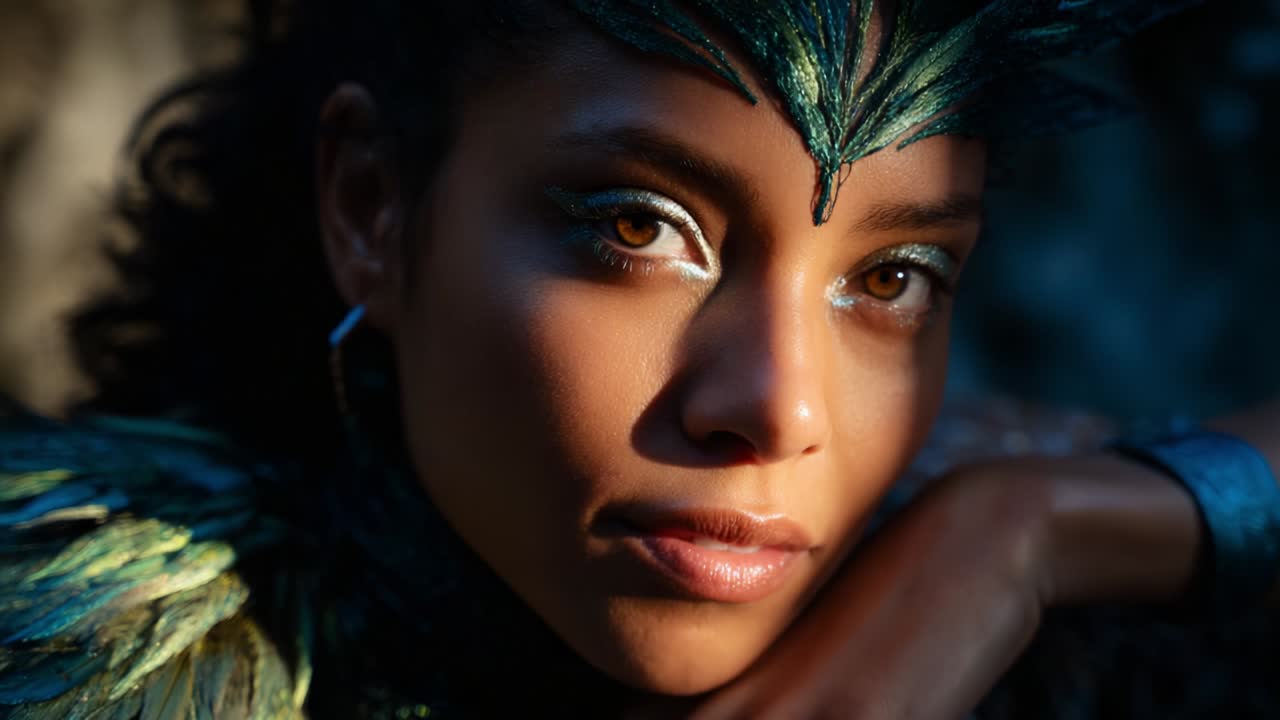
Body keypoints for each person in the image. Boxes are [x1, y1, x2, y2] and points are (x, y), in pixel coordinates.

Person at [1, 0, 1277, 717]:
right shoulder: (93, 645)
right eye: (633, 227)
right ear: (373, 209)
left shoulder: (964, 577)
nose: (777, 407)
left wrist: (1020, 535)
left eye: (891, 280)